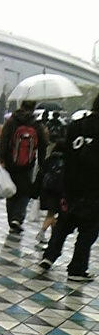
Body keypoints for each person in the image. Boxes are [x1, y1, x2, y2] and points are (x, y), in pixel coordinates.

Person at [39, 93, 99, 281]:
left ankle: (49, 255)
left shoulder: (77, 125)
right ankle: (77, 269)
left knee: (64, 223)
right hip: (94, 190)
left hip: (71, 185)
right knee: (88, 231)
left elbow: (66, 154)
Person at [0, 99, 48, 233]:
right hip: (27, 164)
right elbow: (43, 145)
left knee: (11, 190)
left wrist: (1, 158)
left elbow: (4, 139)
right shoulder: (36, 124)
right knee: (25, 191)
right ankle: (18, 218)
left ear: (21, 106)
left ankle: (11, 220)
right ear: (33, 108)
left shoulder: (12, 121)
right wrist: (42, 163)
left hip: (10, 162)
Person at [35, 140, 65, 244]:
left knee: (52, 214)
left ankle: (53, 236)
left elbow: (41, 173)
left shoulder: (50, 159)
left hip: (46, 191)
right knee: (52, 215)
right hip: (58, 192)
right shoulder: (65, 160)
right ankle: (42, 233)